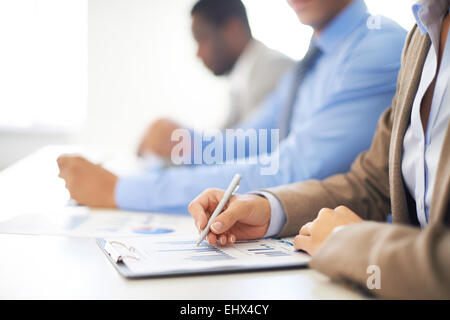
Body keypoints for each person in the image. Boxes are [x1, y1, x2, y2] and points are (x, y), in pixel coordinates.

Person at [187, 0, 450, 299]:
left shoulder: (380, 44)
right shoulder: (422, 35)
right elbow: (372, 182)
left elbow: (292, 165)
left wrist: (351, 243)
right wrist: (268, 208)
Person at [57, 0, 406, 214]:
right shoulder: (306, 68)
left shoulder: (375, 49)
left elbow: (291, 170)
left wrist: (119, 191)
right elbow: (245, 142)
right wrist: (177, 145)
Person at [137, 0, 294, 158]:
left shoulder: (274, 68)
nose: (198, 53)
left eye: (202, 39)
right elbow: (227, 136)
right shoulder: (243, 75)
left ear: (234, 30)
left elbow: (250, 149)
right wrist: (170, 144)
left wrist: (183, 144)